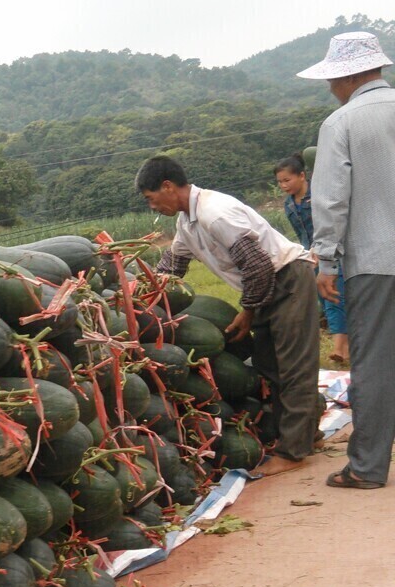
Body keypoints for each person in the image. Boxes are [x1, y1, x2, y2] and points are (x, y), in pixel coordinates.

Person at [134, 154, 321, 470]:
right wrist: (137, 293)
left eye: (152, 199)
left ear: (167, 186)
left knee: (293, 366)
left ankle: (293, 452)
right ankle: (309, 434)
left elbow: (258, 265)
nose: (153, 207)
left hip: (287, 279)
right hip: (265, 286)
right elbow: (171, 267)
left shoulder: (214, 213)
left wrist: (247, 311)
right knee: (269, 364)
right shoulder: (187, 222)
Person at [299, 28, 395, 490]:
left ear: (349, 76)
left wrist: (328, 262)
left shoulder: (342, 123)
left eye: (332, 79)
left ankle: (367, 468)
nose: (330, 88)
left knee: (375, 361)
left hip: (375, 259)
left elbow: (332, 201)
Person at [274, 153, 349, 365]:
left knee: (335, 297)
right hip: (311, 259)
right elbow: (301, 235)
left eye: (287, 180)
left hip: (332, 254)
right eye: (279, 182)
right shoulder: (289, 205)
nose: (283, 185)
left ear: (302, 176)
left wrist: (321, 248)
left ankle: (339, 349)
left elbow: (331, 225)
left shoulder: (320, 197)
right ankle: (346, 346)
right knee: (325, 301)